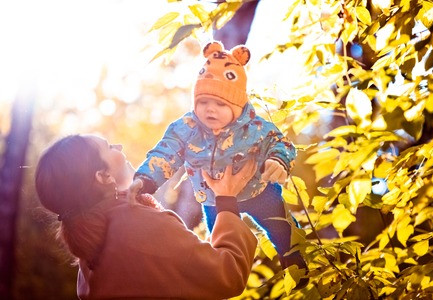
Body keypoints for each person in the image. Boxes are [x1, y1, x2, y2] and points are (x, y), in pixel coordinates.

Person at [135, 41, 308, 278]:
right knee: (219, 246)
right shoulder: (186, 128)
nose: (210, 110)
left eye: (220, 103)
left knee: (283, 230)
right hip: (214, 200)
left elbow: (281, 142)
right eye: (203, 102)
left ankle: (298, 269)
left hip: (261, 192)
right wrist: (145, 179)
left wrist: (278, 160)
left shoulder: (256, 127)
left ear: (237, 106)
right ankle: (220, 285)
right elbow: (165, 153)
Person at [35, 134, 258, 299]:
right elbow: (227, 274)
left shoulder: (90, 249)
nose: (119, 145)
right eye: (109, 146)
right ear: (103, 176)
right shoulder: (140, 225)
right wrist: (227, 200)